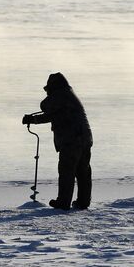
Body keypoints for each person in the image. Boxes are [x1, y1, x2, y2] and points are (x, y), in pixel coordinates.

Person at [22, 73, 93, 210]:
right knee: (83, 172)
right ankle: (83, 202)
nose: (48, 92)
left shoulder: (62, 94)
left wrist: (49, 97)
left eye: (48, 89)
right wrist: (33, 120)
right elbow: (52, 115)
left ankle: (63, 202)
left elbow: (45, 105)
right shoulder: (67, 96)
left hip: (72, 140)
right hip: (85, 138)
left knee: (67, 170)